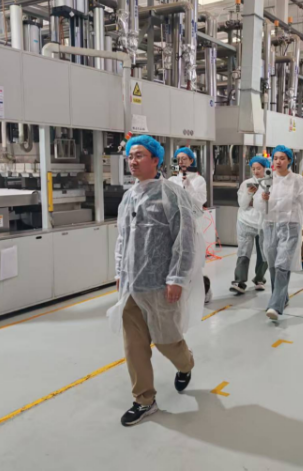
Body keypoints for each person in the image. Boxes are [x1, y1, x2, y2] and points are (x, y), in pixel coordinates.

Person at [107, 135, 205, 426]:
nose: (132, 161)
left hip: (160, 284)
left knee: (167, 342)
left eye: (139, 155)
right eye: (130, 156)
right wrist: (119, 271)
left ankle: (186, 363)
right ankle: (144, 400)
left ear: (155, 160)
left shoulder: (171, 194)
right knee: (133, 347)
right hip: (131, 286)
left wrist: (177, 278)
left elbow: (185, 239)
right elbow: (122, 238)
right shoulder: (129, 196)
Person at [254, 145, 303, 321]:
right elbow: (257, 205)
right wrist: (262, 199)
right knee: (273, 264)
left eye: (282, 158)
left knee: (282, 263)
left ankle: (275, 305)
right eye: (275, 158)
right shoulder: (267, 179)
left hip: (290, 227)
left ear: (289, 160)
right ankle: (282, 297)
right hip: (269, 226)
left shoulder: (297, 180)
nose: (278, 161)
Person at [168, 147, 212, 303]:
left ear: (191, 161)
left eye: (184, 159)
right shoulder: (172, 180)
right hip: (175, 224)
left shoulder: (199, 180)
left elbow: (200, 201)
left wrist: (189, 187)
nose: (181, 162)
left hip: (193, 225)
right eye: (178, 159)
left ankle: (204, 290)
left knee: (193, 261)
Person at [230, 156, 270, 295]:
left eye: (258, 168)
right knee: (243, 252)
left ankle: (259, 279)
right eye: (253, 168)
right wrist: (249, 194)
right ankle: (239, 281)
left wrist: (264, 200)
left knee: (264, 253)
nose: (256, 171)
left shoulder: (270, 183)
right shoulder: (246, 183)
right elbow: (242, 204)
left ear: (265, 168)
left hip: (264, 223)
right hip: (245, 222)